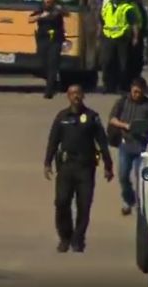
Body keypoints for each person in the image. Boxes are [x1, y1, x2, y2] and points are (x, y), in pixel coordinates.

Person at [44, 84, 114, 253]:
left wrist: (108, 165)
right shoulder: (62, 117)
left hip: (86, 167)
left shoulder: (92, 117)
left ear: (83, 96)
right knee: (61, 202)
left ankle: (78, 239)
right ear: (68, 96)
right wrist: (47, 163)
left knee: (84, 205)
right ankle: (65, 237)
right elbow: (53, 141)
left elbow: (102, 142)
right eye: (72, 93)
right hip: (66, 167)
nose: (75, 96)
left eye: (78, 93)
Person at [107, 76, 148, 215]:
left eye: (140, 92)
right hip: (126, 145)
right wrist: (125, 125)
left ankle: (140, 203)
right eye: (135, 91)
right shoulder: (122, 102)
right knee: (123, 175)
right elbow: (112, 119)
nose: (137, 95)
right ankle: (128, 199)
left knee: (140, 177)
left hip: (142, 147)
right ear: (131, 89)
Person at [100, 0, 139, 93]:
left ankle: (121, 86)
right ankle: (107, 86)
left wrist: (135, 37)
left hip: (123, 38)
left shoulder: (127, 8)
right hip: (108, 37)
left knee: (123, 64)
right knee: (107, 62)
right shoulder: (107, 6)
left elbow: (134, 24)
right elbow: (102, 21)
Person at [29, 0, 68, 99]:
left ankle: (49, 91)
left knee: (53, 65)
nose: (48, 0)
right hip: (43, 40)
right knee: (41, 65)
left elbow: (67, 14)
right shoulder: (41, 9)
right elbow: (30, 19)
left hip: (55, 40)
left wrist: (60, 10)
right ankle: (53, 81)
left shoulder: (58, 9)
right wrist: (41, 16)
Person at [129, 0, 148, 78]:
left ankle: (136, 75)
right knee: (135, 57)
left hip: (140, 33)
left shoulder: (138, 5)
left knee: (139, 57)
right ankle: (134, 76)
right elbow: (136, 20)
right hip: (134, 33)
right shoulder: (132, 5)